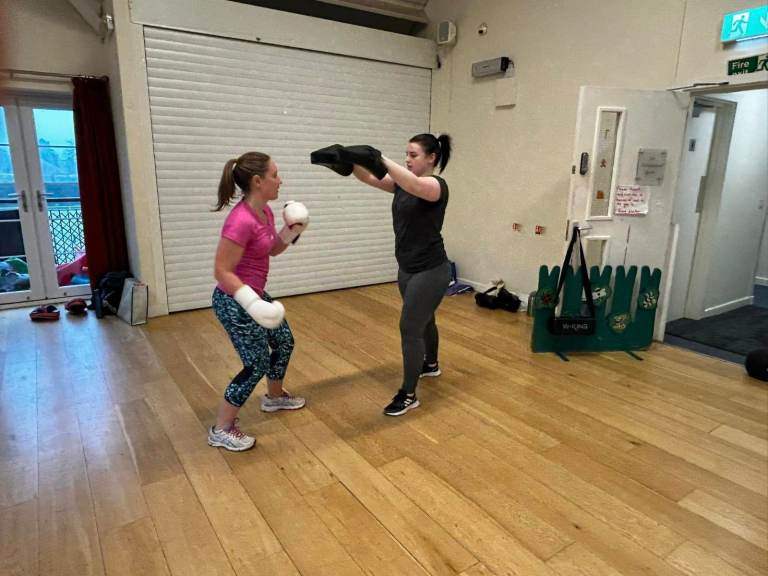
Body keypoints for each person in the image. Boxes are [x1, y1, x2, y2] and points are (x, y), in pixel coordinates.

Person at [207, 151, 308, 451]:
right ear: (257, 181)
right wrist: (253, 304)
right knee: (256, 363)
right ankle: (221, 428)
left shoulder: (265, 212)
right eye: (274, 175)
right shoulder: (240, 221)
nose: (280, 180)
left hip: (254, 295)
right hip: (233, 301)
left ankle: (274, 397)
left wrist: (292, 230)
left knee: (284, 341)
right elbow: (221, 271)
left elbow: (271, 249)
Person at [349, 134, 453, 416]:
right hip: (407, 267)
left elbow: (415, 185)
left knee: (410, 328)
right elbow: (371, 179)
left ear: (431, 158)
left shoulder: (435, 185)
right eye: (405, 154)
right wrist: (350, 162)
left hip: (431, 269)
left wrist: (379, 157)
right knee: (425, 319)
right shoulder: (401, 184)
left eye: (413, 155)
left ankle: (408, 394)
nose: (407, 159)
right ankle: (430, 365)